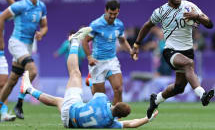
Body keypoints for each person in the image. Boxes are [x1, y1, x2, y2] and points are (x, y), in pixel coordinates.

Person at [20, 27, 158, 128]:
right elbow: (130, 124)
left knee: (75, 74)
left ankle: (74, 42)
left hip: (73, 109)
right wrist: (147, 119)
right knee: (58, 101)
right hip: (70, 123)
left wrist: (91, 80)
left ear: (115, 105)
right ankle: (28, 89)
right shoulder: (110, 124)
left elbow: (94, 90)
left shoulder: (103, 100)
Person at [131, 0, 215, 119]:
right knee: (188, 64)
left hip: (187, 50)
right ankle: (202, 94)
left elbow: (210, 24)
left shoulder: (189, 7)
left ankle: (156, 100)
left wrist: (197, 17)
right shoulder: (161, 11)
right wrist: (136, 44)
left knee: (179, 87)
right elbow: (147, 26)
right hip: (171, 50)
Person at [0, 0, 48, 119]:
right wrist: (1, 40)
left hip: (27, 46)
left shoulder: (41, 7)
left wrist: (41, 33)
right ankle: (19, 103)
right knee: (32, 71)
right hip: (16, 43)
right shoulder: (21, 5)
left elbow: (44, 25)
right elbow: (2, 17)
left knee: (12, 81)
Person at [82, 0, 132, 105]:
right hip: (97, 62)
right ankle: (91, 81)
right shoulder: (96, 24)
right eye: (110, 13)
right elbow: (85, 41)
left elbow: (122, 41)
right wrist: (89, 57)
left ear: (118, 11)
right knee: (100, 97)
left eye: (115, 14)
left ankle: (115, 116)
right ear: (106, 10)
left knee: (118, 89)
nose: (113, 16)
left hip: (112, 61)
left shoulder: (119, 25)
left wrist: (130, 51)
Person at [0, 0, 17, 121]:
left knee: (3, 83)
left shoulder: (1, 15)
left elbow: (17, 10)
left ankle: (4, 113)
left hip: (0, 55)